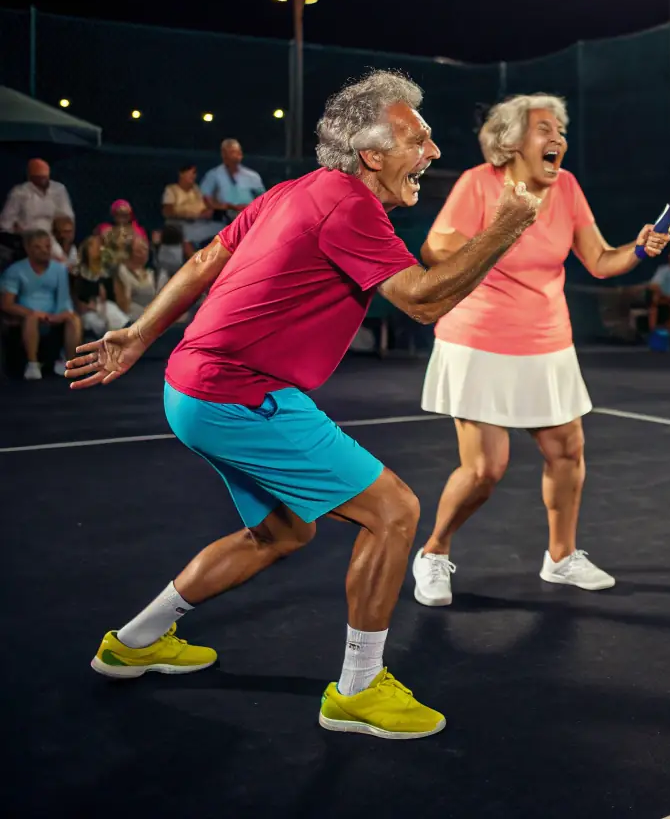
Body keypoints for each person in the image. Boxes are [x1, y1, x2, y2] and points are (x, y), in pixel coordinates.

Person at [65, 71, 541, 739]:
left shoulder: (296, 190)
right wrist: (507, 226)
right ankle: (357, 689)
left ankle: (135, 642)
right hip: (239, 393)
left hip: (191, 387)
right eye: (419, 139)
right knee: (395, 512)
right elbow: (425, 299)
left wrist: (142, 335)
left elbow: (206, 261)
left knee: (284, 532)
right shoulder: (350, 206)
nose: (433, 152)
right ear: (372, 154)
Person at [411, 94, 669, 607]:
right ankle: (434, 553)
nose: (558, 140)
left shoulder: (568, 188)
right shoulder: (479, 183)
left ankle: (561, 557)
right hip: (478, 340)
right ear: (510, 142)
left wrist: (639, 249)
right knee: (485, 469)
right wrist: (499, 233)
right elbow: (435, 249)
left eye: (560, 131)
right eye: (544, 129)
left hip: (548, 343)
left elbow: (597, 260)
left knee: (568, 452)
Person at [1, 229, 80, 380]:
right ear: (28, 249)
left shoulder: (60, 269)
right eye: (38, 247)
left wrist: (60, 314)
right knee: (32, 318)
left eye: (47, 247)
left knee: (74, 319)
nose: (44, 251)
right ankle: (33, 364)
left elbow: (64, 299)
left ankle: (68, 362)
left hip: (53, 314)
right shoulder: (15, 271)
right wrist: (32, 313)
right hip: (27, 316)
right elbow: (7, 304)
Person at [0, 158, 75, 236]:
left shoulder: (59, 189)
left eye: (44, 176)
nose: (42, 179)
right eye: (38, 176)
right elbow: (6, 223)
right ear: (30, 177)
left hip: (52, 237)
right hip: (26, 238)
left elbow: (68, 217)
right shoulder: (19, 192)